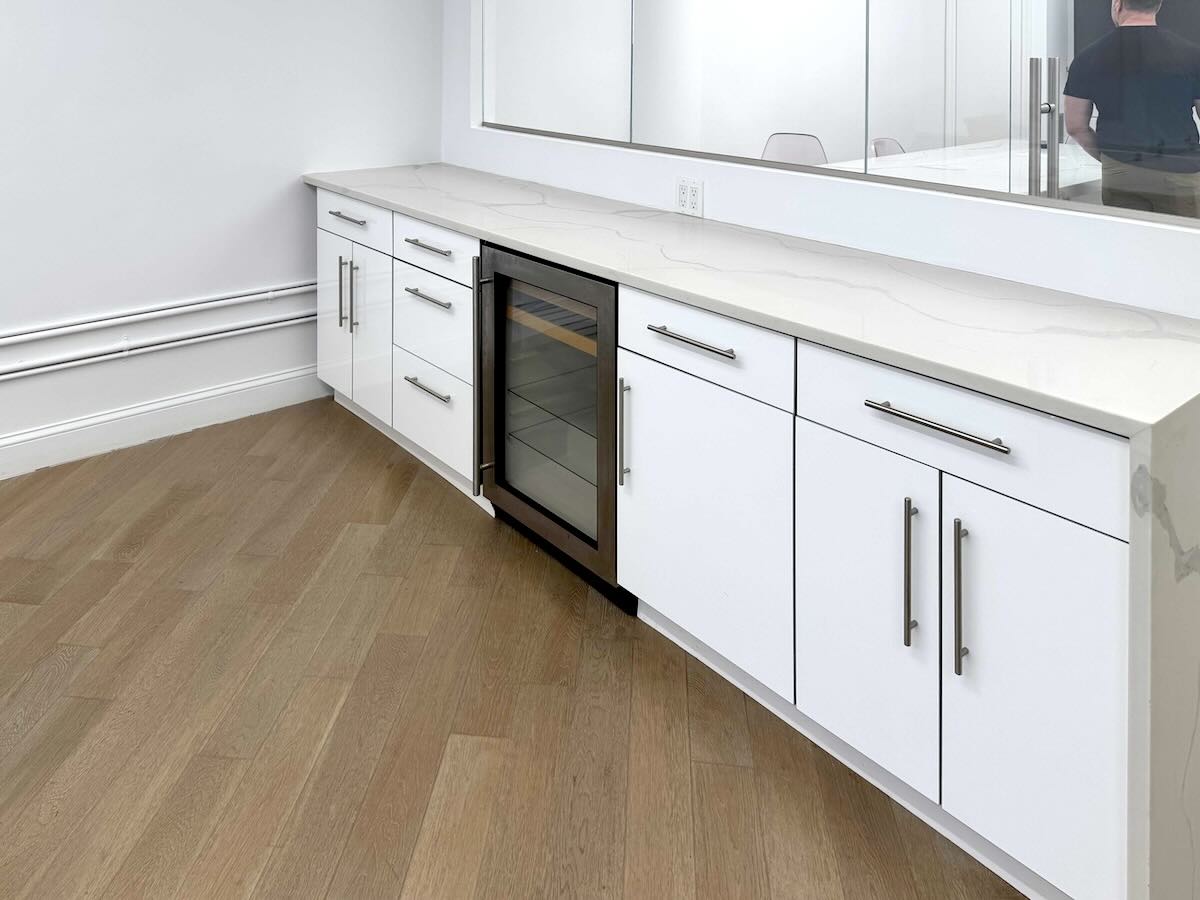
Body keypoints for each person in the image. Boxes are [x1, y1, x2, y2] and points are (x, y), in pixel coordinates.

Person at [1064, 0, 1200, 217]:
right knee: (1179, 246)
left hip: (1121, 169)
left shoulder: (1087, 58)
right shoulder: (1192, 55)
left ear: (1117, 4)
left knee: (1127, 244)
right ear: (1158, 5)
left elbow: (1075, 126)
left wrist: (1109, 157)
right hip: (1180, 169)